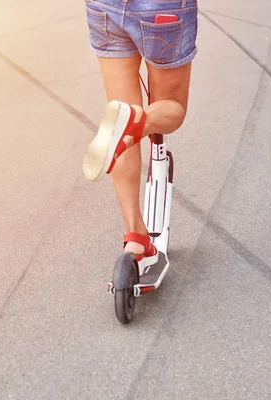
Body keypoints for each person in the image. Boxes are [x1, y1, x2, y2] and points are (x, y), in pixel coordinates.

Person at [82, 0, 198, 261]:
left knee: (122, 112)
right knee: (171, 108)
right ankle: (137, 122)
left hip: (104, 6)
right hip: (161, 8)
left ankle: (135, 236)